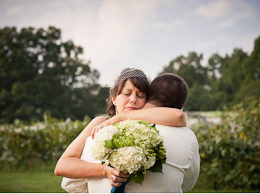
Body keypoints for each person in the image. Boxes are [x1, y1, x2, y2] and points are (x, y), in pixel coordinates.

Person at [54, 68, 188, 192]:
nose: (133, 100)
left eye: (140, 95)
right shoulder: (100, 123)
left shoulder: (150, 123)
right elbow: (62, 166)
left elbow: (178, 116)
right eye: (127, 93)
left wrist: (122, 117)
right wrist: (105, 171)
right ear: (114, 98)